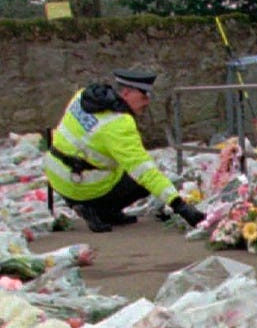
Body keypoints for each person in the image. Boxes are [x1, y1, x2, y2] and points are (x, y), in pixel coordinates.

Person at [43, 69, 206, 234]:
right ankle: (98, 210)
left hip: (54, 175)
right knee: (142, 180)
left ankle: (95, 208)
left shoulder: (82, 96)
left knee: (120, 164)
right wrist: (180, 206)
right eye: (144, 96)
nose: (147, 102)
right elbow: (144, 171)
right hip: (82, 185)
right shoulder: (118, 123)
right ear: (127, 92)